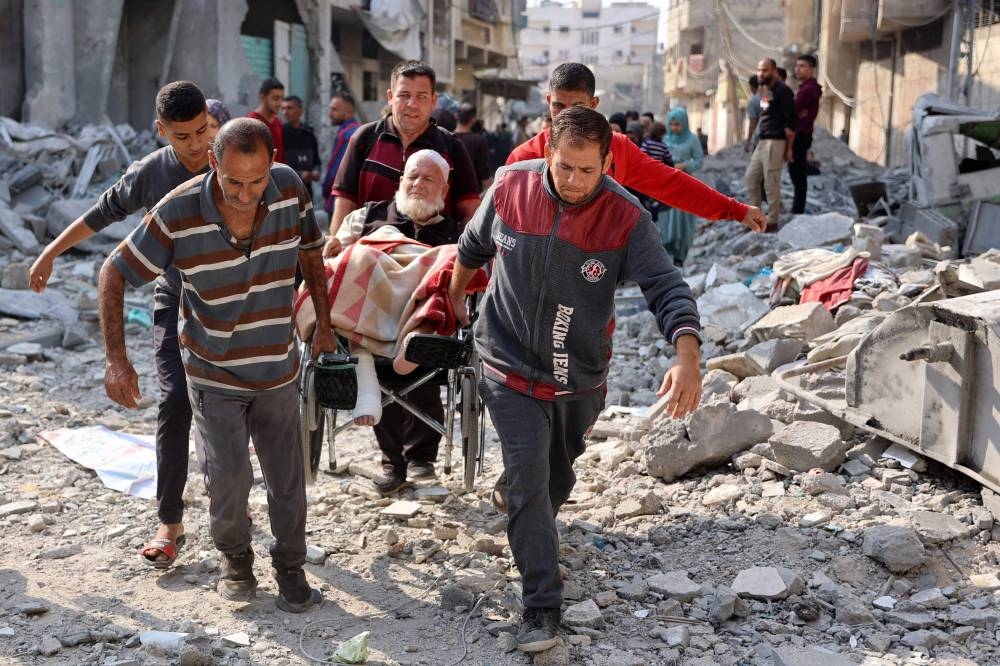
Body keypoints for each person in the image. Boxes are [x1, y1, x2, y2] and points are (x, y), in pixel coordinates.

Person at [448, 106, 703, 652]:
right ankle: (541, 605)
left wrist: (688, 355)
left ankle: (527, 504)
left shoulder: (625, 217)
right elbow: (471, 250)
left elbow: (666, 287)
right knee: (529, 472)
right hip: (505, 362)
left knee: (555, 476)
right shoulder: (512, 187)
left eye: (588, 171)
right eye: (565, 168)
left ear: (608, 163)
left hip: (577, 377)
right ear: (548, 154)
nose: (574, 182)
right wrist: (454, 301)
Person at [99, 118, 335, 612]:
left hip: (276, 366)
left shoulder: (289, 187)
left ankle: (290, 566)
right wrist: (117, 361)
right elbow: (114, 273)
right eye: (233, 182)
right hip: (213, 372)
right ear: (213, 164)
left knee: (288, 479)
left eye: (255, 181)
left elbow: (312, 253)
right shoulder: (179, 210)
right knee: (228, 480)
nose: (245, 194)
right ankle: (236, 560)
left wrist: (325, 322)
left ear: (271, 165)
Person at [28, 81, 212, 568]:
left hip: (233, 303)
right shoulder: (151, 173)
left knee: (231, 405)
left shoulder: (232, 156)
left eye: (202, 132)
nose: (197, 146)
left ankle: (232, 506)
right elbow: (101, 213)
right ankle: (170, 522)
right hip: (174, 299)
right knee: (174, 402)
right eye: (183, 136)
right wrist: (50, 252)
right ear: (161, 132)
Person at [324, 59, 481, 495]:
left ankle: (420, 458)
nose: (411, 104)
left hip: (429, 265)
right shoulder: (364, 140)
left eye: (421, 96)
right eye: (404, 94)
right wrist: (338, 245)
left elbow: (471, 218)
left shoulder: (451, 147)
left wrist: (466, 262)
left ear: (433, 101)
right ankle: (393, 461)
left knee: (424, 332)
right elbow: (344, 209)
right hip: (375, 267)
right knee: (357, 267)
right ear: (390, 96)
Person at [507, 63, 765, 235]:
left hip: (592, 272)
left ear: (594, 103)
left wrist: (735, 210)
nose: (568, 117)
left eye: (578, 106)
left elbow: (671, 184)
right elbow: (498, 228)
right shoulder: (523, 159)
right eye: (559, 107)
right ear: (549, 101)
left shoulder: (618, 149)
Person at [322, 149, 467, 426]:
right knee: (358, 257)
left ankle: (415, 336)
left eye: (428, 179)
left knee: (449, 264)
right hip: (367, 309)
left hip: (417, 317)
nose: (418, 184)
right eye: (413, 176)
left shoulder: (456, 234)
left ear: (444, 188)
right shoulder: (368, 216)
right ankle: (366, 376)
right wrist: (336, 247)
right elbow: (337, 254)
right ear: (401, 181)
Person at [745, 58, 795, 230]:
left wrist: (789, 149)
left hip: (776, 141)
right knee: (751, 179)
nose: (761, 73)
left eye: (765, 70)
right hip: (763, 141)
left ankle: (772, 221)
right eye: (759, 70)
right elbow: (764, 114)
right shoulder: (765, 90)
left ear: (774, 71)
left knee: (771, 182)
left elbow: (791, 123)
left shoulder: (783, 91)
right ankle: (755, 219)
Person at [660, 107, 705, 266]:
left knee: (684, 220)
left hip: (685, 186)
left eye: (677, 124)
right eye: (671, 124)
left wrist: (685, 165)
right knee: (665, 219)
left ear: (684, 123)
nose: (674, 128)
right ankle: (665, 254)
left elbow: (699, 161)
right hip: (666, 185)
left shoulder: (692, 139)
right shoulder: (665, 138)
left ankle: (680, 256)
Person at [789, 54, 822, 214]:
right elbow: (794, 110)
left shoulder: (808, 89)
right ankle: (797, 208)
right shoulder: (805, 88)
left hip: (800, 135)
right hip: (801, 134)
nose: (798, 69)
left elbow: (790, 110)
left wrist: (794, 112)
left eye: (802, 66)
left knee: (797, 174)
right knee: (797, 172)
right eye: (797, 66)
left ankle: (797, 209)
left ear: (811, 69)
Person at [322, 92, 361, 214]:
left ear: (348, 112)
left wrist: (326, 190)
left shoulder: (347, 135)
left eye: (335, 110)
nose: (330, 114)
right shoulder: (357, 130)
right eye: (330, 109)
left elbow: (338, 170)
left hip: (339, 199)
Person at [281, 95, 321, 186]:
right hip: (287, 189)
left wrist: (316, 171)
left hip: (306, 190)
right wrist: (299, 174)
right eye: (283, 109)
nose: (285, 112)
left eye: (289, 108)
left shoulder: (309, 134)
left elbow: (316, 160)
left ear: (300, 111)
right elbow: (277, 164)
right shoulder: (280, 134)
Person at [454, 103, 492, 191]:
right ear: (473, 120)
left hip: (448, 191)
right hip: (471, 192)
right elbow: (483, 171)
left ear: (456, 116)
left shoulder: (445, 137)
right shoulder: (479, 140)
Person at [248, 78, 285, 164]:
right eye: (275, 98)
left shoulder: (278, 122)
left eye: (282, 98)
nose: (280, 103)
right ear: (262, 97)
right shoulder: (251, 122)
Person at [745, 75, 761, 153]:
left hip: (759, 138)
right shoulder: (768, 96)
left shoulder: (753, 101)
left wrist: (748, 141)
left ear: (751, 87)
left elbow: (753, 123)